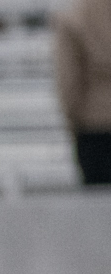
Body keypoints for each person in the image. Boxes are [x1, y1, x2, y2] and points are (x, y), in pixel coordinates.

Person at [56, 0, 111, 185]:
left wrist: (73, 124)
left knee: (98, 209)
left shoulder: (74, 18)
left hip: (95, 125)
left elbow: (69, 84)